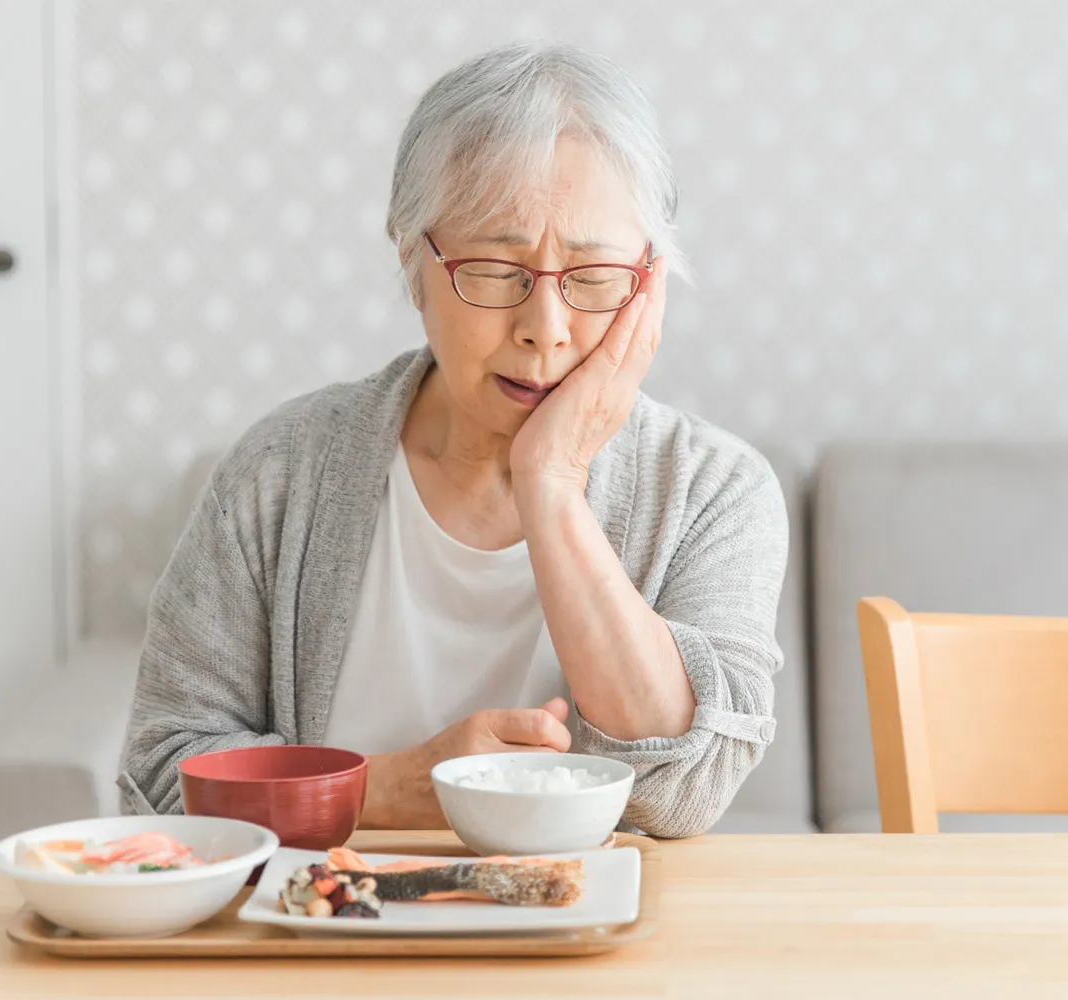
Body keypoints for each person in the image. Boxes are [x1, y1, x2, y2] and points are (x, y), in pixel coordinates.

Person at [118, 40, 787, 838]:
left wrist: (553, 482)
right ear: (412, 261)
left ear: (652, 282)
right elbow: (161, 777)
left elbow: (683, 793)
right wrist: (385, 790)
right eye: (496, 273)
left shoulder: (716, 490)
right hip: (321, 947)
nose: (545, 330)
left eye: (595, 277)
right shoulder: (280, 474)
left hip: (601, 950)